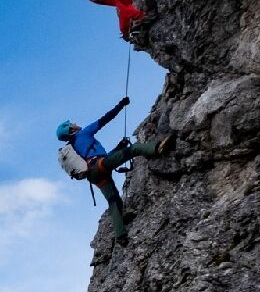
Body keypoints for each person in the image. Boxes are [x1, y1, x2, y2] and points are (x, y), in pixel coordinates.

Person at [56, 97, 173, 245]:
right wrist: (121, 105)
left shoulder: (73, 148)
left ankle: (121, 235)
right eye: (71, 124)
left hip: (94, 175)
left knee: (113, 200)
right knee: (133, 149)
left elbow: (102, 158)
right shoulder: (83, 134)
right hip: (99, 165)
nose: (75, 124)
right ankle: (157, 148)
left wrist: (119, 147)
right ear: (70, 129)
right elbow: (104, 119)